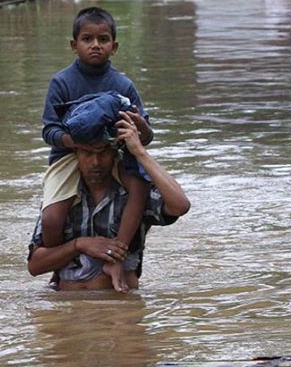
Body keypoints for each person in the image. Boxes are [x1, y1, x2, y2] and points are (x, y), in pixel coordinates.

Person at [41, 7, 154, 292]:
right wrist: (76, 143)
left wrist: (139, 126)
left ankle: (120, 252)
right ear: (74, 45)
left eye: (103, 40)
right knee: (52, 217)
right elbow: (50, 131)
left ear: (114, 47)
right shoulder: (62, 82)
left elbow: (147, 136)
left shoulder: (123, 85)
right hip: (69, 156)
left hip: (114, 152)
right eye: (87, 39)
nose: (95, 45)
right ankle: (58, 268)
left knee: (139, 188)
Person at [28, 112, 189, 291]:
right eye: (88, 153)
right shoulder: (62, 197)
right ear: (76, 154)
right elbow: (35, 265)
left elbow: (180, 205)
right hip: (69, 309)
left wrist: (139, 152)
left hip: (121, 310)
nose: (96, 162)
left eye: (103, 152)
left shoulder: (134, 194)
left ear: (115, 153)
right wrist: (80, 245)